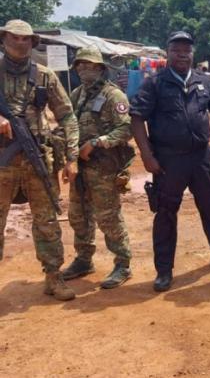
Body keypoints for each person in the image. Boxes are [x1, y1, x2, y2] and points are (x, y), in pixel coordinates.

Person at [130, 31, 210, 292]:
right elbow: (136, 118)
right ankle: (164, 270)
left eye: (187, 51)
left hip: (201, 157)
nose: (182, 55)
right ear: (168, 53)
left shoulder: (204, 80)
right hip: (169, 160)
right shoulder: (155, 83)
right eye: (177, 50)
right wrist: (146, 155)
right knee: (166, 213)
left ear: (193, 54)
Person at [0, 19, 79, 300]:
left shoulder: (45, 76)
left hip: (39, 160)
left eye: (26, 39)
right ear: (4, 39)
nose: (20, 43)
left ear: (33, 43)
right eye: (14, 38)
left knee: (47, 221)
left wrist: (71, 158)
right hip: (2, 162)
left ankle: (54, 277)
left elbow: (67, 115)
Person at [61, 46, 135, 289]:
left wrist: (97, 143)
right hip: (79, 167)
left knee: (108, 216)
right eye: (80, 65)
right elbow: (68, 125)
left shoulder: (114, 96)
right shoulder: (76, 95)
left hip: (104, 168)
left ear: (101, 69)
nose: (84, 69)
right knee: (78, 215)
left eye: (90, 65)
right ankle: (84, 260)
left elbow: (125, 130)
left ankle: (122, 263)